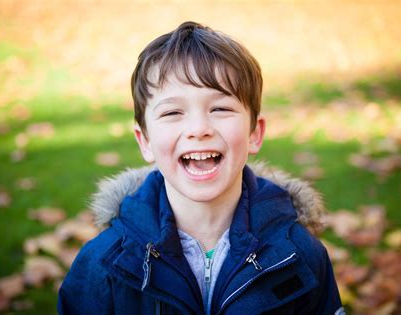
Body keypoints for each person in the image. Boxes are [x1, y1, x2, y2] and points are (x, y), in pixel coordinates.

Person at [58, 21, 344, 314]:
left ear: (254, 133)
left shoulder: (300, 255)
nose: (199, 128)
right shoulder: (104, 262)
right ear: (144, 141)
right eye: (172, 112)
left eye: (219, 108)